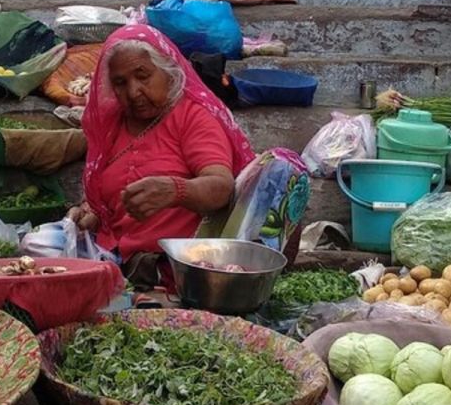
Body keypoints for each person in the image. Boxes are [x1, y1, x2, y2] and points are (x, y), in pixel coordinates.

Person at [70, 25, 310, 288]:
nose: (133, 91)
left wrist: (175, 190)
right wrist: (90, 213)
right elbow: (107, 195)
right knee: (38, 246)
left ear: (169, 71)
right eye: (120, 83)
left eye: (143, 76)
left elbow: (221, 187)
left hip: (172, 265)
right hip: (111, 253)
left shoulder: (192, 117)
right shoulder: (112, 126)